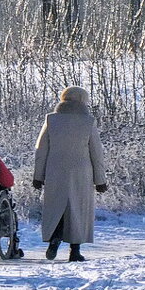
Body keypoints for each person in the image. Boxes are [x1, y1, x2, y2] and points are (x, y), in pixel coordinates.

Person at [32, 86, 108, 262]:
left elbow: (41, 149)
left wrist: (38, 176)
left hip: (55, 169)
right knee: (77, 209)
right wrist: (100, 180)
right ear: (83, 100)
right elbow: (96, 152)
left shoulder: (51, 120)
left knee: (57, 206)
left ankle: (55, 238)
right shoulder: (88, 121)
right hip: (82, 171)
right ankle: (75, 251)